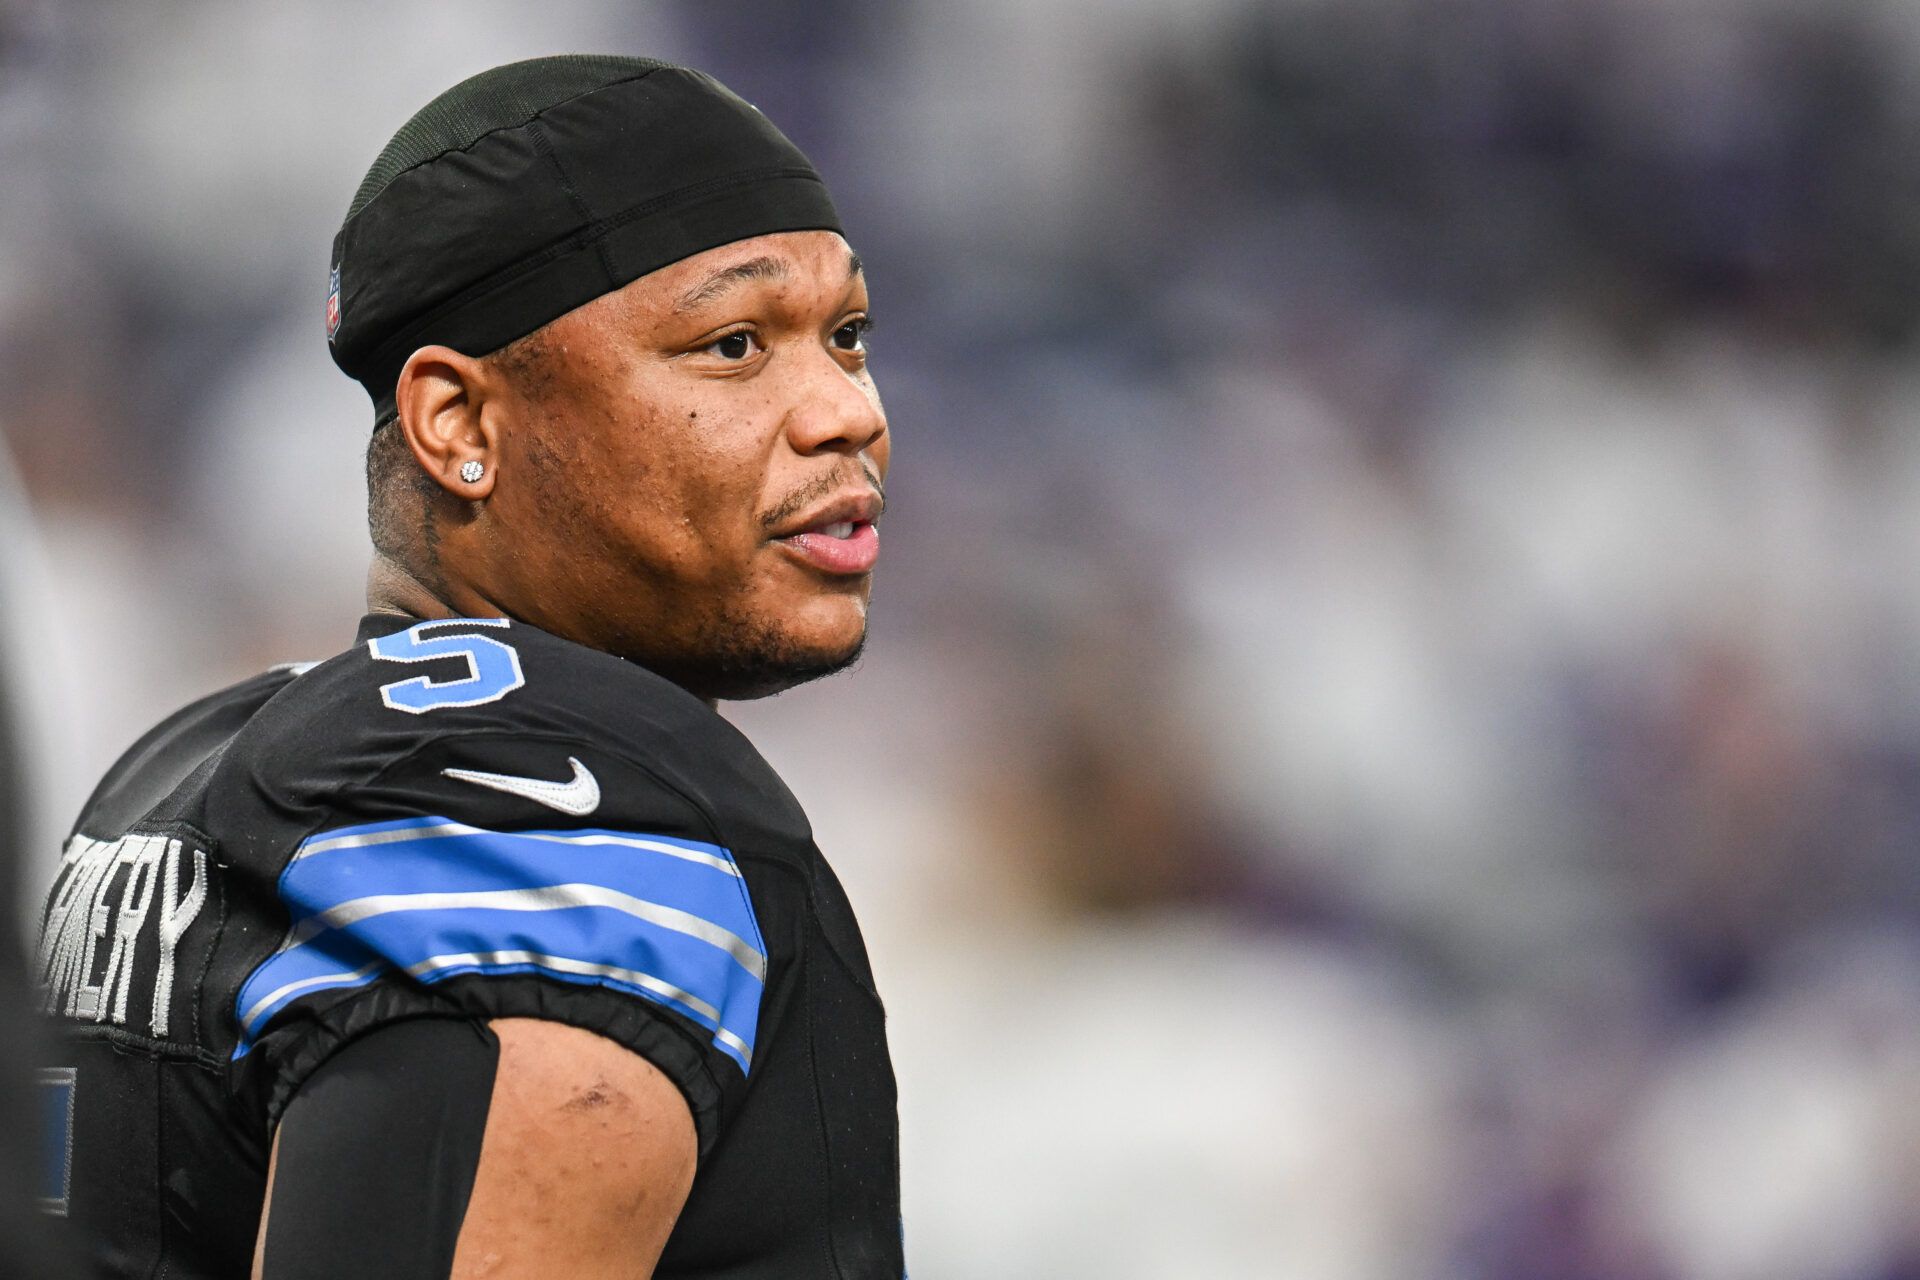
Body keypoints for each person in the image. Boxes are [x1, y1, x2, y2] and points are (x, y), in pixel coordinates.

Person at [32, 55, 901, 1278]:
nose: (847, 411)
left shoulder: (184, 763)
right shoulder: (555, 811)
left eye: (846, 335)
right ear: (459, 423)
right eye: (734, 343)